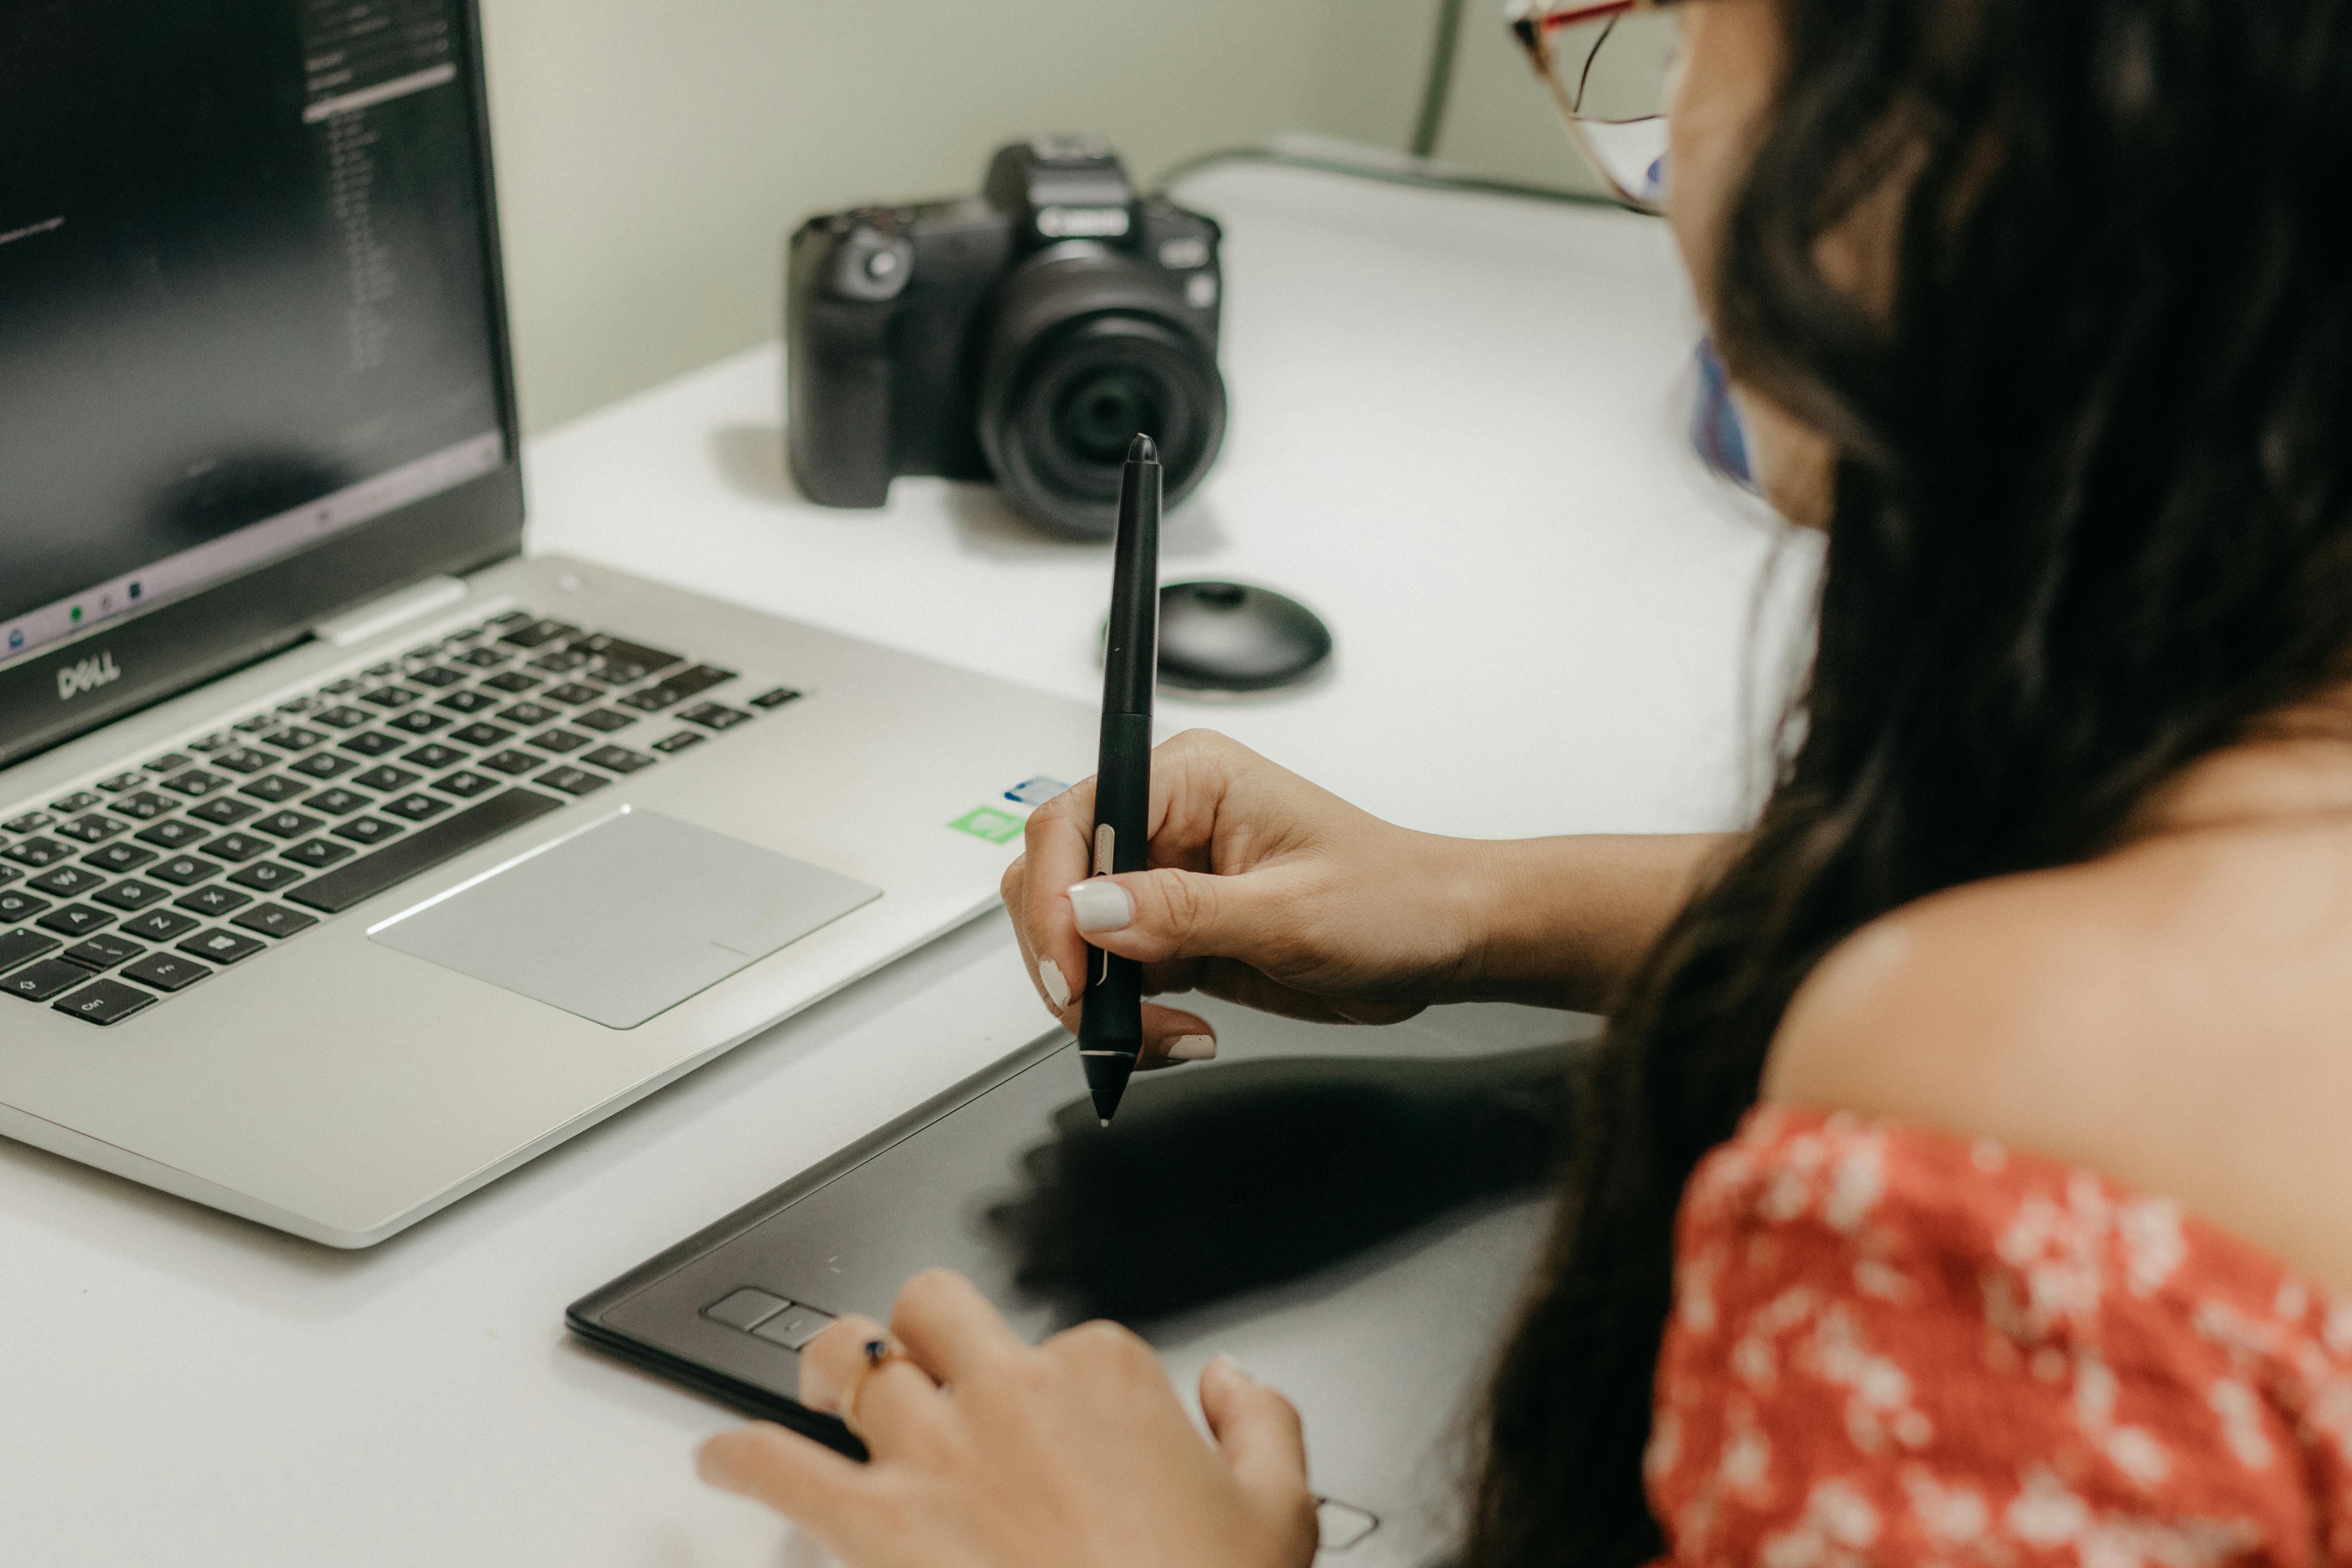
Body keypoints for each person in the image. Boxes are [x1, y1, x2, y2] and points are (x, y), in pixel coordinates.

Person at [698, 0, 2352, 1561]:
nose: (1662, 145)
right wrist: (1474, 903)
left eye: (1690, 32)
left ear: (1950, 129)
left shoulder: (2004, 1100)